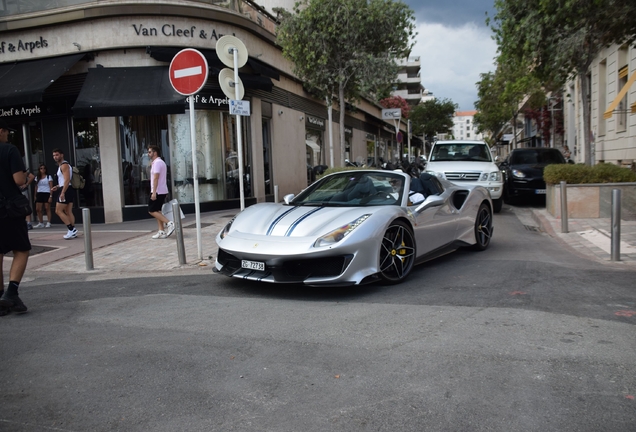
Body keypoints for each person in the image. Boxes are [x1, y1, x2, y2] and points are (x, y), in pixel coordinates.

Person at [0, 120, 29, 315]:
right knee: (22, 249)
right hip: (8, 208)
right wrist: (27, 177)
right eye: (6, 132)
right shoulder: (9, 150)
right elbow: (19, 180)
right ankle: (11, 292)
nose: (7, 135)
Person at [147, 145, 174, 239]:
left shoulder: (158, 163)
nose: (148, 154)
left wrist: (154, 192)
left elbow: (156, 178)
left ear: (155, 152)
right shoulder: (159, 162)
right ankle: (161, 231)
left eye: (150, 152)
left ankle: (169, 223)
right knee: (157, 210)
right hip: (161, 190)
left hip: (157, 191)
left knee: (152, 210)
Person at [52, 148, 77, 239]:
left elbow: (67, 179)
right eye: (54, 155)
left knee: (58, 210)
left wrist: (62, 192)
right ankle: (72, 230)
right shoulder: (62, 166)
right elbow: (64, 180)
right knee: (68, 211)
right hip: (67, 188)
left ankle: (71, 229)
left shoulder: (64, 165)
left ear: (62, 155)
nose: (55, 157)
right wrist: (58, 186)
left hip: (66, 189)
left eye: (57, 155)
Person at [34, 164, 54, 228]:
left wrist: (50, 196)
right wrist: (35, 195)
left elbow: (51, 187)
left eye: (44, 168)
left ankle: (49, 222)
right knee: (38, 209)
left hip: (47, 193)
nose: (42, 170)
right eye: (41, 168)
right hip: (39, 193)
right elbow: (36, 186)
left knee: (47, 208)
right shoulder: (37, 177)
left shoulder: (48, 177)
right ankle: (41, 222)